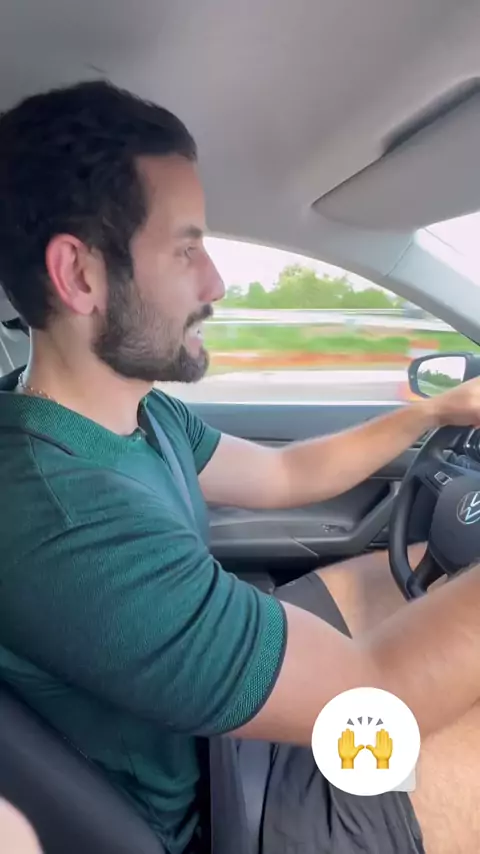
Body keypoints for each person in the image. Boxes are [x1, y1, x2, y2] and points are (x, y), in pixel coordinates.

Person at [0, 81, 479, 854]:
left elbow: (284, 477)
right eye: (186, 249)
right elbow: (375, 695)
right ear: (80, 276)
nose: (216, 283)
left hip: (222, 727)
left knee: (417, 572)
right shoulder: (58, 512)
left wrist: (433, 412)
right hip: (232, 809)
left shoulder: (136, 414)